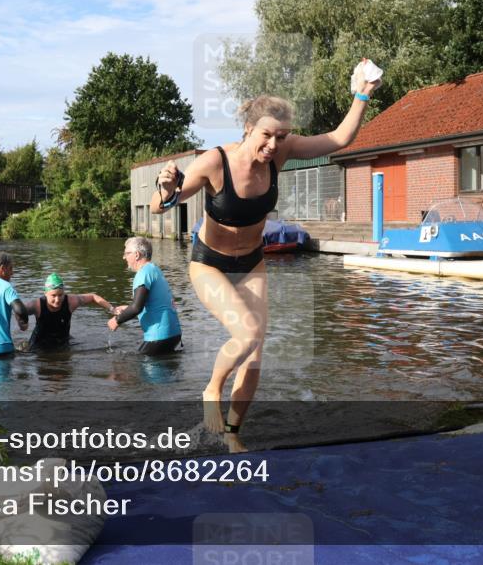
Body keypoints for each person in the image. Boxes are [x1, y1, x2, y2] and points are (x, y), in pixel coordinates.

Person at [151, 60, 381, 447]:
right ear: (248, 129)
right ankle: (212, 392)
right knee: (246, 333)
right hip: (210, 263)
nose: (273, 145)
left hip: (252, 261)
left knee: (254, 354)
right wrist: (166, 185)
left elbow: (340, 139)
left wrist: (362, 95)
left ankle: (233, 435)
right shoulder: (214, 162)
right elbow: (164, 205)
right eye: (267, 136)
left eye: (281, 137)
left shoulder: (281, 153)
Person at [108, 237, 183, 356]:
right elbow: (148, 304)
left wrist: (117, 320)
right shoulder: (154, 269)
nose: (124, 257)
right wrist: (127, 308)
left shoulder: (142, 273)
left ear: (137, 255)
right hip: (173, 333)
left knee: (142, 369)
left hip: (159, 336)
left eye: (127, 253)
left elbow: (137, 308)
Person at [29, 272, 114, 349]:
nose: (57, 299)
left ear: (64, 293)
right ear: (45, 294)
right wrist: (22, 320)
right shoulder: (37, 305)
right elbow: (20, 309)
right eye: (53, 295)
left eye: (60, 295)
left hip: (63, 341)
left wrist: (111, 308)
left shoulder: (71, 301)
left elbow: (92, 297)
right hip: (38, 344)